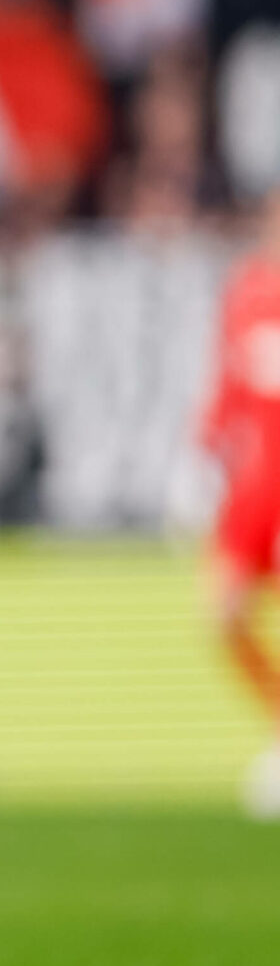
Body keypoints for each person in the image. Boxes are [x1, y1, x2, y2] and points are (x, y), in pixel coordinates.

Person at [199, 190, 280, 820]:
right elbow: (226, 385)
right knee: (220, 613)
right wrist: (203, 455)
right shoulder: (247, 290)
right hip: (255, 486)